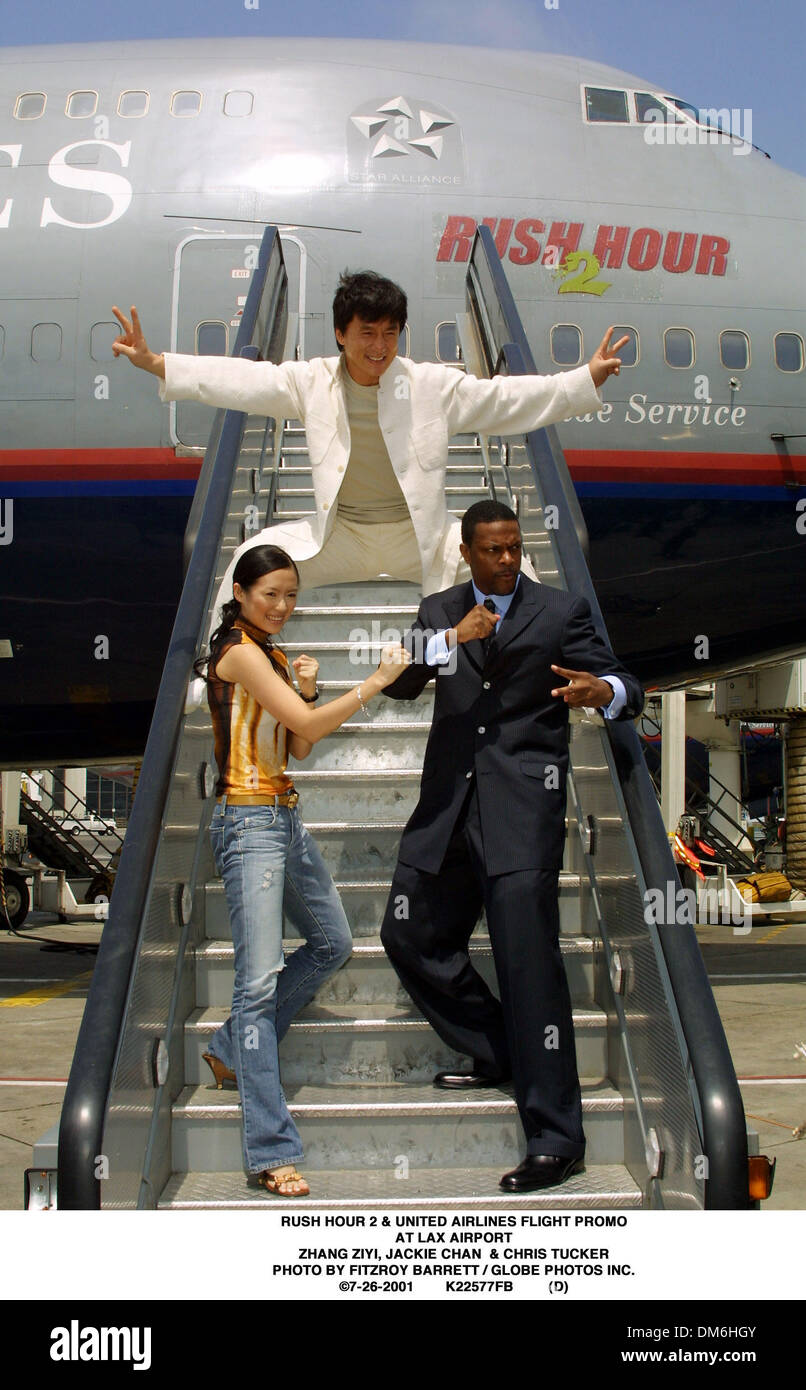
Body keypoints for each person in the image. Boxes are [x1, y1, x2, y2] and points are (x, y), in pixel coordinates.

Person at [379, 500, 644, 1193]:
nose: (504, 561)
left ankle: (557, 1139)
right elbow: (401, 683)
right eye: (491, 551)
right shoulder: (438, 610)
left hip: (523, 810)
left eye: (513, 549)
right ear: (466, 552)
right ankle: (498, 1049)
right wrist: (449, 639)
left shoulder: (559, 612)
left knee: (529, 966)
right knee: (408, 934)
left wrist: (601, 690)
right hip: (448, 810)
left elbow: (628, 684)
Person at [110, 277, 627, 616]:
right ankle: (218, 674)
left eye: (390, 332)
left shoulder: (431, 386)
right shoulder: (310, 382)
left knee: (514, 567)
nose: (379, 346)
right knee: (252, 558)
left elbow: (506, 398)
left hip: (417, 535)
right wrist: (159, 364)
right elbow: (243, 380)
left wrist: (584, 380)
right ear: (340, 333)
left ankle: (540, 675)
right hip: (341, 536)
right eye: (366, 333)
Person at [197, 542, 409, 1196]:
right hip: (247, 821)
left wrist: (308, 686)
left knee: (332, 944)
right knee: (257, 985)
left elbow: (300, 742)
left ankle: (232, 1047)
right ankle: (269, 1151)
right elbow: (308, 722)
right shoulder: (239, 652)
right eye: (271, 595)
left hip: (283, 815)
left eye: (291, 595)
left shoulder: (275, 655)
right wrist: (372, 683)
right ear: (240, 593)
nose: (284, 606)